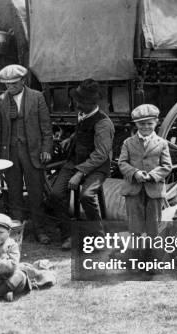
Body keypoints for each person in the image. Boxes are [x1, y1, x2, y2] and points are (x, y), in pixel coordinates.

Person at [0, 64, 53, 244]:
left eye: (14, 83)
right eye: (7, 84)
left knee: (36, 193)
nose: (10, 87)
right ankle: (16, 233)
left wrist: (46, 149)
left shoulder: (37, 97)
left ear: (23, 81)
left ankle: (40, 230)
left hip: (33, 153)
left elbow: (46, 127)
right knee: (14, 194)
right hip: (10, 155)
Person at [48, 79, 115, 250]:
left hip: (97, 167)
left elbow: (101, 154)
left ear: (91, 103)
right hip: (75, 161)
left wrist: (80, 173)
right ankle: (68, 234)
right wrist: (70, 139)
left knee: (86, 195)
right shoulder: (83, 115)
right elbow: (83, 132)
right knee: (55, 194)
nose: (76, 104)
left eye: (80, 102)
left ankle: (98, 236)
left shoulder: (103, 123)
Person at [118, 104, 172, 265]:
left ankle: (153, 260)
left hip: (154, 191)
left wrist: (152, 176)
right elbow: (122, 163)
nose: (146, 127)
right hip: (133, 191)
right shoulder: (128, 143)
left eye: (149, 123)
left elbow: (167, 166)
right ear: (136, 125)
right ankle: (134, 259)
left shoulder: (162, 143)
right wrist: (135, 173)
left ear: (156, 122)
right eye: (142, 124)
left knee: (153, 227)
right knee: (135, 227)